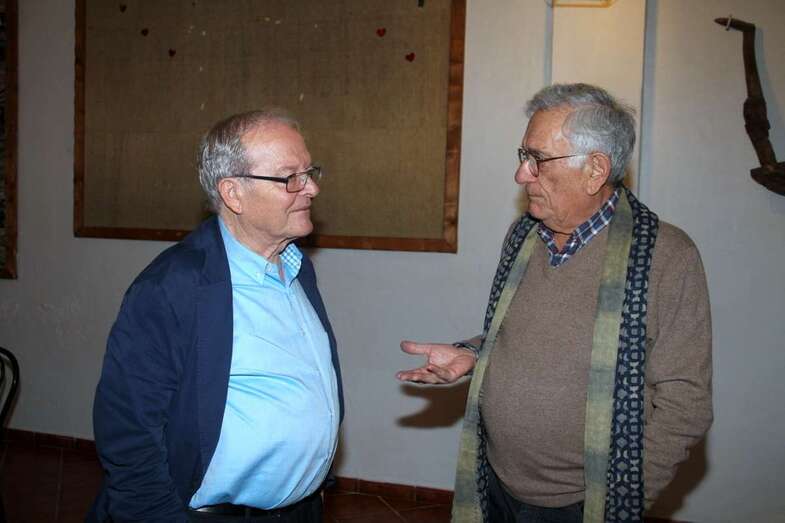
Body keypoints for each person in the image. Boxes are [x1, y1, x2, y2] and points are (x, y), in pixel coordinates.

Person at [397, 83, 712, 523]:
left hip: (585, 506)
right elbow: (521, 336)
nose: (521, 175)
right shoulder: (523, 236)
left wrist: (621, 501)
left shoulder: (666, 256)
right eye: (522, 156)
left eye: (537, 159)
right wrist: (471, 353)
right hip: (494, 486)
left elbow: (686, 404)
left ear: (595, 169)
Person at [88, 109, 343, 523]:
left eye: (310, 172)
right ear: (233, 193)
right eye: (290, 177)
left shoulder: (297, 268)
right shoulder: (172, 286)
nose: (311, 188)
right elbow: (128, 433)